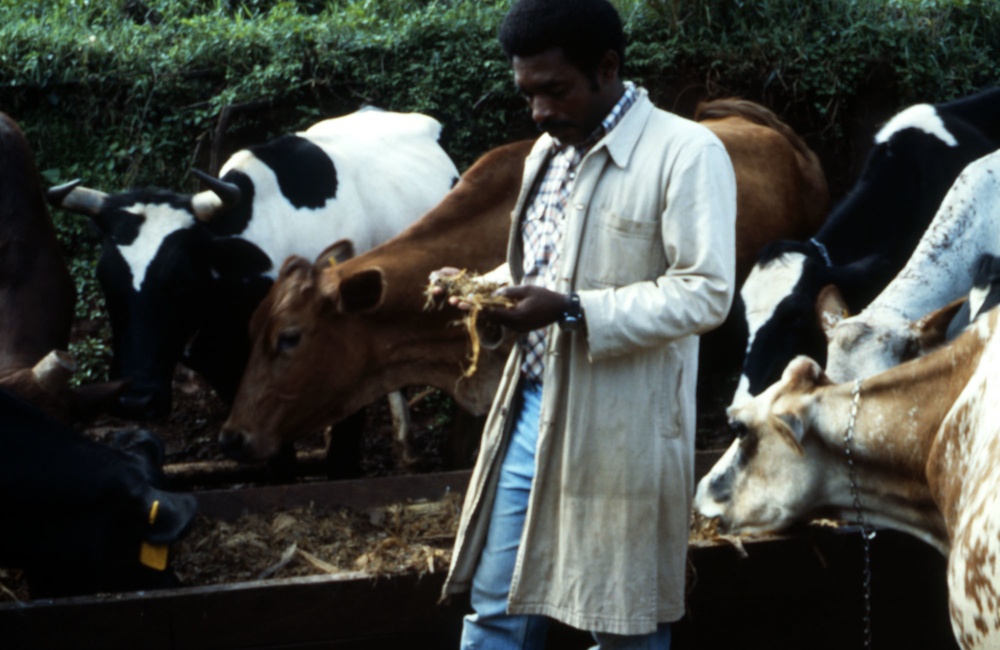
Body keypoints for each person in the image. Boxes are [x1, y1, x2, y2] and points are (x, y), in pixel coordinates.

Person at [434, 0, 737, 647]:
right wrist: (477, 289)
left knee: (623, 621)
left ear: (607, 68)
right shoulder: (547, 151)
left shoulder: (686, 153)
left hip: (623, 427)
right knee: (497, 610)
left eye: (555, 90)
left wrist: (574, 310)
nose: (539, 111)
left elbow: (706, 293)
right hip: (529, 416)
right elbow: (547, 266)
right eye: (528, 94)